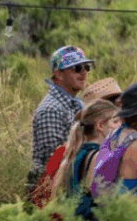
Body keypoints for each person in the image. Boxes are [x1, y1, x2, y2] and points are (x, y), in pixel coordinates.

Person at [31, 76, 123, 209]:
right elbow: (102, 200)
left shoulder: (76, 149)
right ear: (100, 124)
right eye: (115, 120)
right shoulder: (96, 155)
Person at [29, 46, 95, 200]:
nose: (84, 72)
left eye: (86, 67)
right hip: (55, 193)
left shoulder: (75, 103)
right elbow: (53, 161)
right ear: (58, 74)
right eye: (77, 68)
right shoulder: (52, 110)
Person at [50, 99, 122, 201]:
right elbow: (104, 202)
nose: (120, 126)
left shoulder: (77, 152)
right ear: (100, 126)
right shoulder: (99, 156)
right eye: (115, 121)